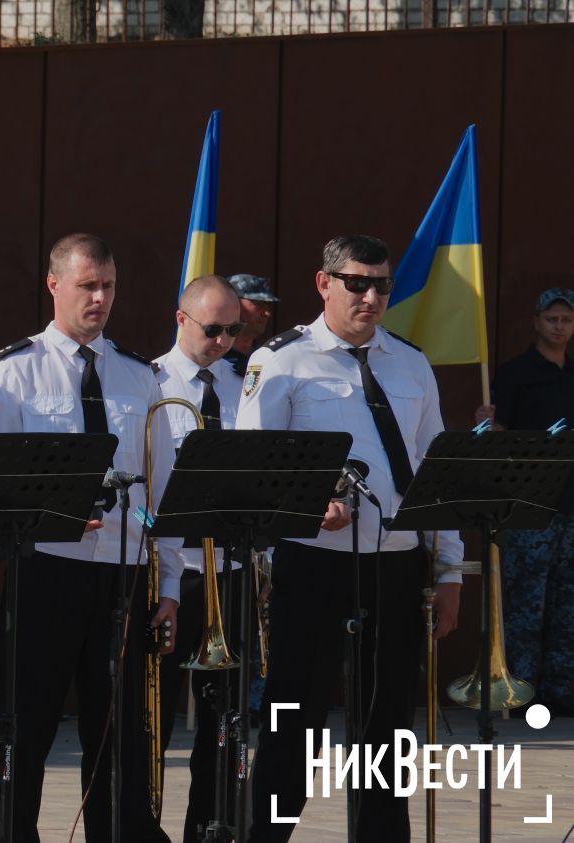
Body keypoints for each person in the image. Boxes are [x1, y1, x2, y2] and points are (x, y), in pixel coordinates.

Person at [238, 235, 462, 841]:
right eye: (356, 282)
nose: (370, 296)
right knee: (294, 721)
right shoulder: (281, 360)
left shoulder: (411, 362)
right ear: (324, 284)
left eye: (381, 284)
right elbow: (254, 473)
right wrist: (307, 512)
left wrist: (448, 570)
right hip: (313, 562)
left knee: (388, 728)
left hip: (394, 565)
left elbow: (432, 472)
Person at [0, 233, 180, 843]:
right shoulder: (13, 369)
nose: (100, 298)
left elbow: (162, 489)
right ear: (54, 285)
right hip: (48, 571)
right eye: (88, 285)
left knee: (120, 735)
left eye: (109, 286)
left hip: (123, 572)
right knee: (28, 729)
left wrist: (168, 582)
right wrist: (54, 514)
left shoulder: (139, 375)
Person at [151, 276, 246, 843]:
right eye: (213, 329)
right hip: (171, 572)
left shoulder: (245, 385)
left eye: (234, 329)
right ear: (181, 319)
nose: (224, 341)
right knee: (152, 722)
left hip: (230, 573)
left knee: (225, 725)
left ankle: (212, 828)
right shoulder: (150, 382)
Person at [473, 287, 574, 715]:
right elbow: (495, 436)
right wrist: (485, 426)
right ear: (536, 322)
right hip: (529, 506)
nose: (559, 326)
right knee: (525, 604)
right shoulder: (515, 373)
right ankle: (520, 691)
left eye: (566, 319)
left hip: (572, 506)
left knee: (567, 604)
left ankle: (561, 692)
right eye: (551, 318)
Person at [223, 274, 279, 369]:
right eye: (258, 304)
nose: (267, 313)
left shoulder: (268, 357)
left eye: (268, 305)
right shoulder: (212, 356)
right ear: (232, 303)